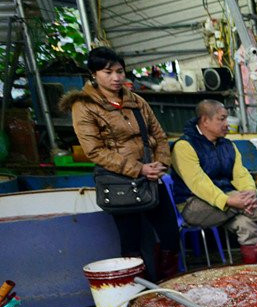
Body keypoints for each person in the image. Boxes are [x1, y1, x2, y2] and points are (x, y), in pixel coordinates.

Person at [61, 47, 181, 280]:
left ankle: (170, 286)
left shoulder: (136, 101)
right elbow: (94, 151)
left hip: (151, 177)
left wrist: (160, 165)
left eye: (120, 71)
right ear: (93, 74)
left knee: (170, 235)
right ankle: (140, 294)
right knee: (131, 241)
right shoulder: (84, 106)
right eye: (108, 72)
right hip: (119, 182)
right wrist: (138, 169)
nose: (116, 78)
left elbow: (160, 135)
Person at [170, 100, 257, 264]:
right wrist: (229, 200)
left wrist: (249, 190)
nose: (227, 124)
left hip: (226, 204)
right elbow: (198, 183)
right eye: (221, 119)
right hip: (193, 206)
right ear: (205, 121)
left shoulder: (227, 145)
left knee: (247, 225)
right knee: (248, 206)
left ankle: (252, 273)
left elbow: (240, 173)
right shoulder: (184, 146)